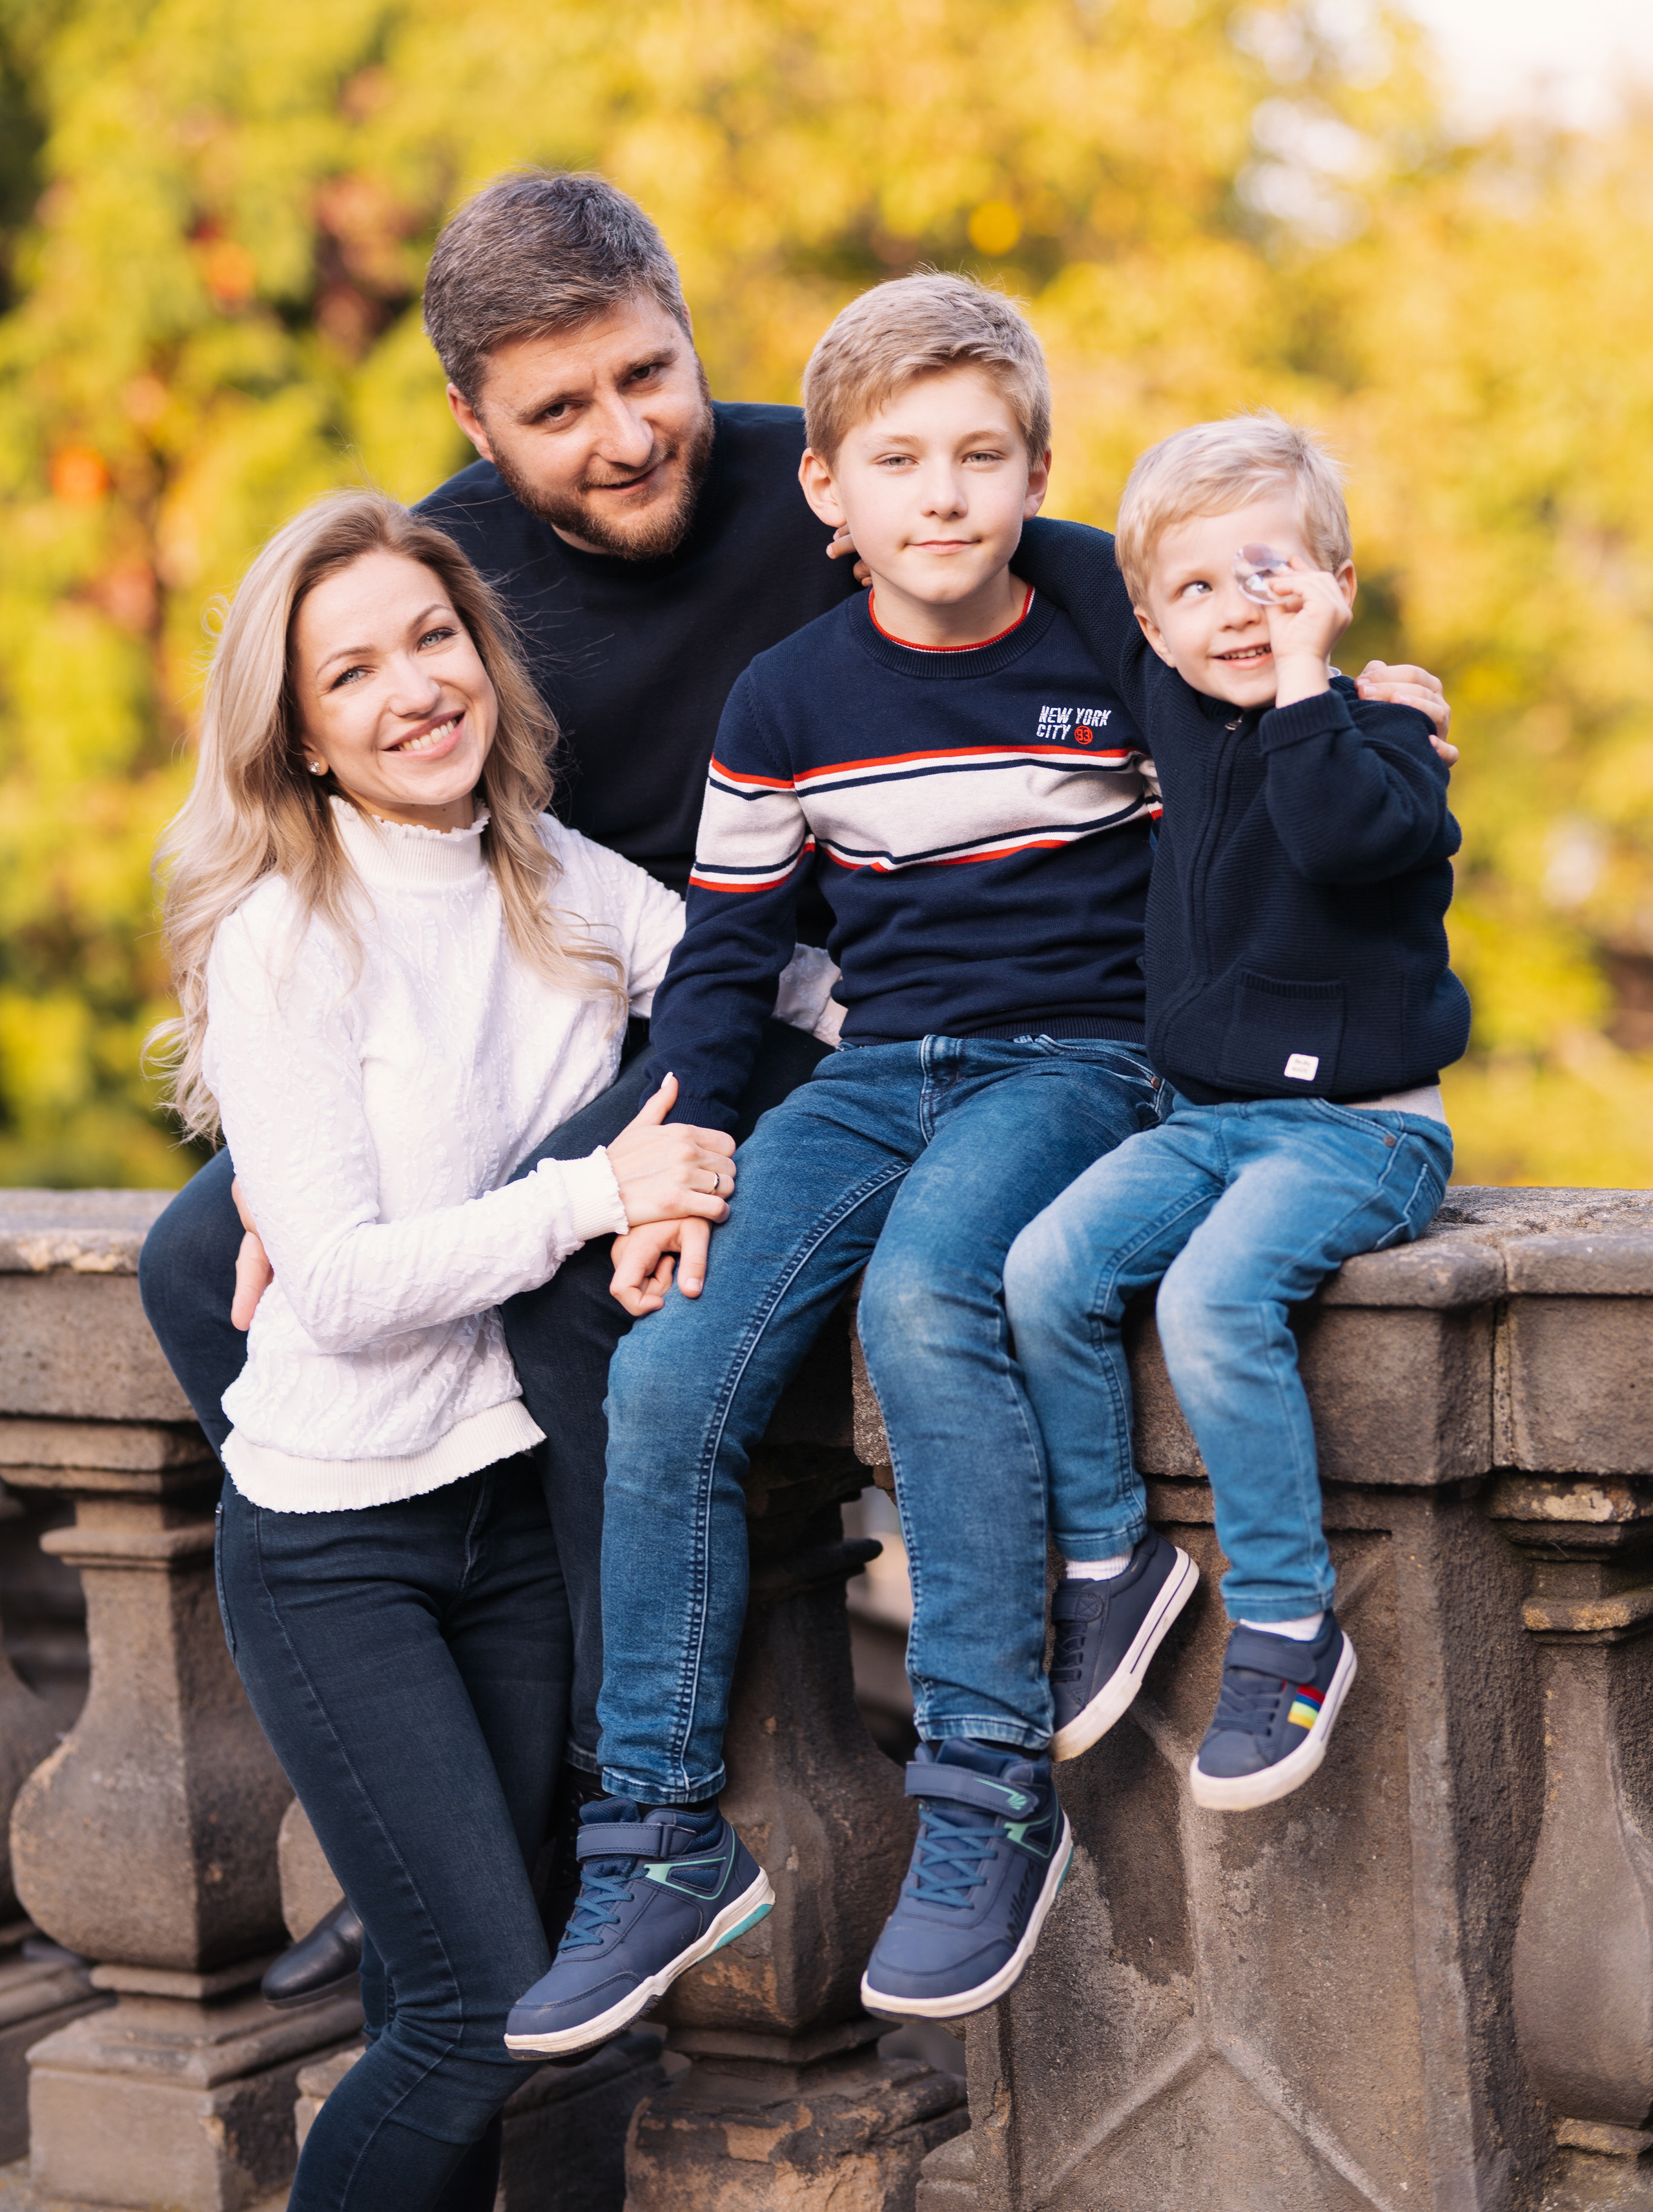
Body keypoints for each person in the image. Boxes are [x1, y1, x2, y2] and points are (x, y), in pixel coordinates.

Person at [136, 169, 1455, 1999]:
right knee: (202, 1265)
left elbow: (1200, 647)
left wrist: (1357, 716)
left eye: (647, 375)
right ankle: (456, 1806)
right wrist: (286, 1161)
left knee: (661, 1315)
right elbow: (335, 826)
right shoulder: (445, 573)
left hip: (880, 1018)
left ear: (691, 333)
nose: (623, 434)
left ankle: (692, 1789)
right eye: (560, 411)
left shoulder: (876, 477)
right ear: (474, 422)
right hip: (641, 1007)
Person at [503, 274, 1205, 2058]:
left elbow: (1267, 813)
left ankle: (983, 1791)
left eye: (984, 454)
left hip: (1079, 1063)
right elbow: (728, 965)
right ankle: (652, 1834)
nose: (944, 492)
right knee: (667, 1369)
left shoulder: (1111, 646)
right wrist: (687, 1147)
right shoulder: (788, 696)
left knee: (925, 1296)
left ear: (1041, 471)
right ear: (827, 491)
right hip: (876, 1072)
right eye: (898, 458)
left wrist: (1359, 720)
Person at [156, 487, 754, 2211]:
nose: (413, 686)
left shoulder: (561, 879)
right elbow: (334, 1286)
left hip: (508, 1519)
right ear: (306, 737)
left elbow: (775, 990)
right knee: (471, 2014)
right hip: (341, 1544)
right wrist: (595, 1192)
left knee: (523, 2000)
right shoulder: (284, 943)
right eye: (353, 672)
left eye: (433, 638)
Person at [1003, 414, 1465, 1811]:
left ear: (1330, 582)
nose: (1236, 613)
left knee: (1210, 1301)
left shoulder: (1378, 739)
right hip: (1201, 1122)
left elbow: (1333, 835)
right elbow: (1053, 546)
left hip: (1362, 1131)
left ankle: (1283, 1620)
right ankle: (1110, 1561)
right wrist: (825, 470)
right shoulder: (1168, 702)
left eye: (1268, 579)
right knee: (1043, 1270)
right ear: (1148, 624)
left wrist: (1318, 679)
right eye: (1194, 591)